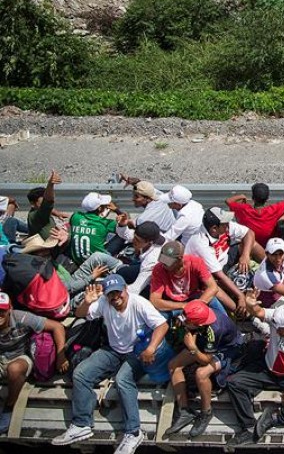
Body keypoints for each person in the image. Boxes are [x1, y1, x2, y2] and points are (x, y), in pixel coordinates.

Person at [51, 274, 168, 454]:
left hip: (136, 352)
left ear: (125, 289)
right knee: (81, 374)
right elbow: (81, 314)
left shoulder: (139, 303)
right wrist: (87, 302)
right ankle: (81, 424)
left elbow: (162, 325)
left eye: (117, 292)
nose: (115, 297)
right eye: (110, 294)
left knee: (123, 380)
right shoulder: (105, 303)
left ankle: (133, 432)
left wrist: (151, 348)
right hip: (113, 350)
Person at [226, 301, 284, 446]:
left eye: (281, 329)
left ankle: (275, 417)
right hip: (267, 369)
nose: (276, 332)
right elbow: (258, 312)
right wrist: (250, 302)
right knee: (234, 383)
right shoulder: (277, 318)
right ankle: (249, 427)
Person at [164, 300, 243, 438]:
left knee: (201, 373)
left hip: (227, 350)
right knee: (173, 365)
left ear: (198, 324)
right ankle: (185, 411)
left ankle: (206, 411)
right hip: (201, 340)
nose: (183, 321)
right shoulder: (197, 316)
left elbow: (206, 360)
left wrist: (193, 348)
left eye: (186, 321)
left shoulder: (215, 330)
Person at [0, 291, 68, 433]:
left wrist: (61, 356)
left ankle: (9, 406)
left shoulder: (21, 317)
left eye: (2, 311)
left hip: (20, 356)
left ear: (9, 309)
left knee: (15, 369)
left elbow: (57, 327)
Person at [185, 207, 265, 316]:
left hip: (224, 259)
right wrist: (240, 296)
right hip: (208, 274)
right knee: (213, 287)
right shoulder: (200, 243)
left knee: (251, 244)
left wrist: (245, 256)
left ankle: (273, 269)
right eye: (225, 223)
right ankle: (242, 313)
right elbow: (219, 275)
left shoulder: (224, 227)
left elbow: (249, 233)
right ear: (214, 228)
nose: (229, 224)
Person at [149, 241, 222, 318]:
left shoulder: (195, 262)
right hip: (173, 304)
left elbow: (213, 287)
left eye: (167, 262)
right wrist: (184, 305)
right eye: (162, 260)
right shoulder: (158, 269)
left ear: (179, 259)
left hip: (194, 297)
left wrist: (196, 306)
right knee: (158, 318)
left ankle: (227, 322)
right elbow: (155, 300)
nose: (164, 265)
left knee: (213, 301)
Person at [111, 178, 174, 254]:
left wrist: (117, 211)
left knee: (121, 236)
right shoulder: (159, 196)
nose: (133, 199)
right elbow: (147, 188)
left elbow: (129, 230)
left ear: (147, 199)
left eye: (136, 197)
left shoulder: (143, 219)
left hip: (157, 247)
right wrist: (135, 182)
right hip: (169, 238)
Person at [69, 192, 118, 264]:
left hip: (77, 260)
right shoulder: (105, 223)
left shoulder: (75, 217)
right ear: (100, 208)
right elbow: (126, 227)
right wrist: (117, 210)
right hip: (97, 262)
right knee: (120, 236)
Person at [126, 221, 164, 296]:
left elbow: (135, 289)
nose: (133, 241)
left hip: (156, 287)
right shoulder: (154, 237)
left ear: (149, 243)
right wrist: (121, 226)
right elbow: (127, 235)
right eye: (134, 237)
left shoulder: (151, 260)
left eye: (137, 240)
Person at [26, 170, 66, 240]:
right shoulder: (37, 216)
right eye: (42, 203)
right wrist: (50, 184)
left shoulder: (39, 212)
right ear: (33, 204)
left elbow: (47, 208)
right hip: (46, 247)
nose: (44, 205)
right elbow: (47, 204)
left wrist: (57, 213)